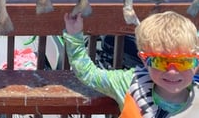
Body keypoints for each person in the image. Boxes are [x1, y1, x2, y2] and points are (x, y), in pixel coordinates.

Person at [63, 11, 199, 117]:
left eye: (184, 62)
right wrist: (74, 37)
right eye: (160, 62)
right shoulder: (127, 83)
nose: (172, 72)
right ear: (144, 60)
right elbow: (89, 74)